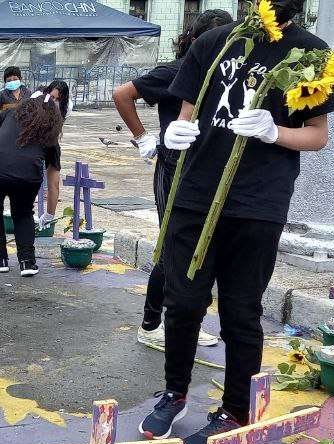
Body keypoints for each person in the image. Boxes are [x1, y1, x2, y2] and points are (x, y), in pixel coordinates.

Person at [139, 0, 334, 444]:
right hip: (195, 192)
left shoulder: (311, 52)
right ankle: (174, 393)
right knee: (184, 298)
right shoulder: (216, 40)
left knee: (240, 310)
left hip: (257, 201)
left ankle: (236, 410)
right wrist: (172, 135)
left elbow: (317, 135)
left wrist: (275, 132)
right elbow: (188, 109)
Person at [113, 10, 232, 350]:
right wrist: (143, 138)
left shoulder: (227, 78)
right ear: (197, 41)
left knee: (202, 246)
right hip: (175, 168)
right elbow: (122, 95)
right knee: (171, 248)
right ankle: (151, 324)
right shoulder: (176, 71)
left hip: (207, 172)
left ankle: (188, 319)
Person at [0, 92, 64, 277]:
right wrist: (49, 214)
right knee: (23, 214)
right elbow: (54, 183)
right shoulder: (51, 134)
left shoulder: (11, 113)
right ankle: (27, 263)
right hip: (26, 175)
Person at [28, 79, 73, 229]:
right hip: (33, 139)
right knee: (29, 178)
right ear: (47, 93)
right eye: (52, 97)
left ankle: (49, 216)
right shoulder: (37, 97)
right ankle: (24, 213)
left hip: (51, 140)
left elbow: (58, 127)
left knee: (53, 182)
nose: (54, 101)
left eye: (58, 99)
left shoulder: (68, 106)